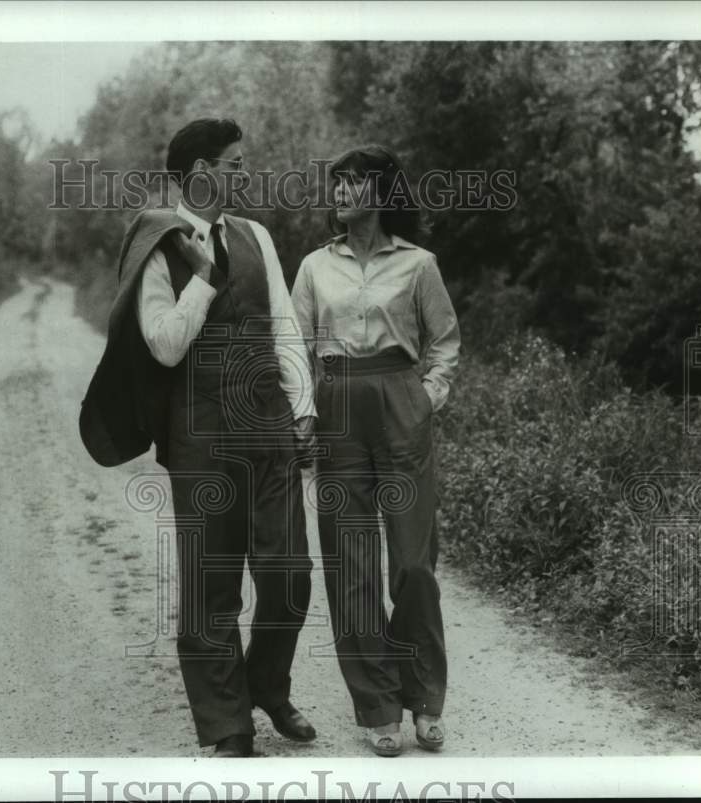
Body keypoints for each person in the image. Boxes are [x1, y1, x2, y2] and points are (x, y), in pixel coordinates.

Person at [79, 118, 317, 758]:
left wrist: (303, 408)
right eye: (234, 163)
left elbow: (284, 326)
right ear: (202, 173)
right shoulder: (158, 243)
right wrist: (206, 278)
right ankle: (227, 724)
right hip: (201, 435)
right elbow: (162, 344)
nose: (244, 173)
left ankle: (266, 683)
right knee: (212, 586)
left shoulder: (258, 235)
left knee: (290, 573)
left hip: (268, 425)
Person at [290, 144, 460, 757]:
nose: (339, 194)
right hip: (337, 407)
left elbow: (443, 344)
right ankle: (378, 706)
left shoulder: (418, 265)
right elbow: (295, 348)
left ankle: (424, 696)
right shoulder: (313, 267)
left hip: (399, 402)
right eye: (335, 184)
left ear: (382, 194)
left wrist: (424, 399)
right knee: (351, 565)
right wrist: (305, 414)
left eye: (353, 184)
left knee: (413, 565)